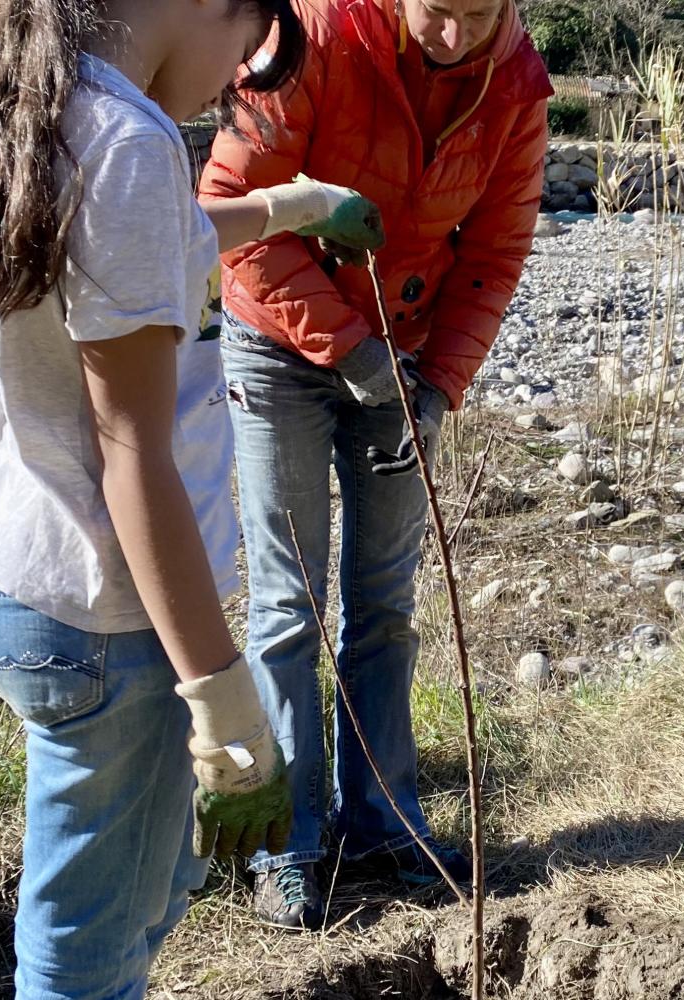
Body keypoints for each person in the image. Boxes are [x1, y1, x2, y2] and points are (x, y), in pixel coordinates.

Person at [0, 1, 382, 997]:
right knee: (85, 963)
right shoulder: (133, 142)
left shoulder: (39, 101)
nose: (235, 83)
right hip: (109, 616)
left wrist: (291, 206)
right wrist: (225, 702)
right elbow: (129, 455)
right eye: (248, 49)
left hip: (20, 571)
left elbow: (147, 244)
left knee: (134, 893)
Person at [197, 0, 550, 931]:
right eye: (437, 14)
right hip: (280, 345)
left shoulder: (517, 84)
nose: (453, 36)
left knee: (385, 601)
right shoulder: (308, 39)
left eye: (477, 16)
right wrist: (355, 354)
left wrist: (435, 388)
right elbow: (235, 218)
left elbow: (495, 252)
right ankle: (289, 842)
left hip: (411, 353)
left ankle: (387, 822)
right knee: (291, 599)